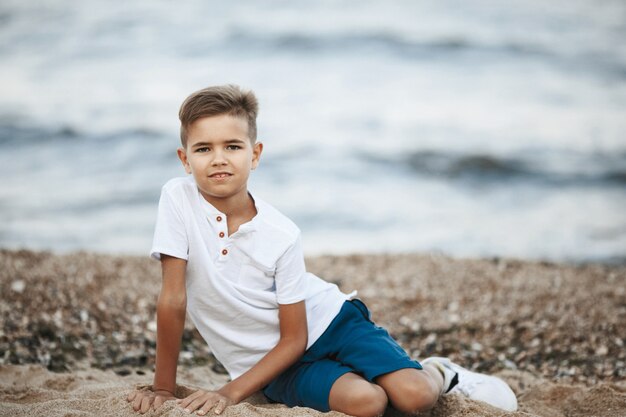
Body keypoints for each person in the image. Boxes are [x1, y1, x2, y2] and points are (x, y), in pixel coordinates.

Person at [127, 85, 518, 416]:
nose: (218, 159)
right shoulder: (177, 199)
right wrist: (162, 389)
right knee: (368, 403)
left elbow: (295, 337)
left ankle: (439, 371)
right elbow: (173, 299)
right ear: (184, 159)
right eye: (203, 149)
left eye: (232, 146)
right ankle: (364, 377)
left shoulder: (282, 233)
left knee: (414, 396)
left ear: (255, 154)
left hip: (332, 323)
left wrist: (228, 394)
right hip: (275, 366)